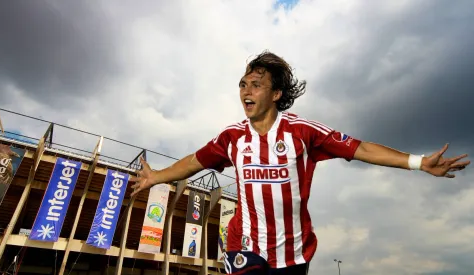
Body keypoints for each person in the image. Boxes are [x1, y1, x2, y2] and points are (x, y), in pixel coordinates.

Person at [129, 50, 470, 275]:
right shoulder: (231, 138)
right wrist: (157, 176)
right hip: (244, 246)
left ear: (275, 94)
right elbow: (194, 161)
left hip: (294, 253)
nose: (246, 91)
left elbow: (361, 148)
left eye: (256, 85)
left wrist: (419, 162)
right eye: (243, 84)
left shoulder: (303, 132)